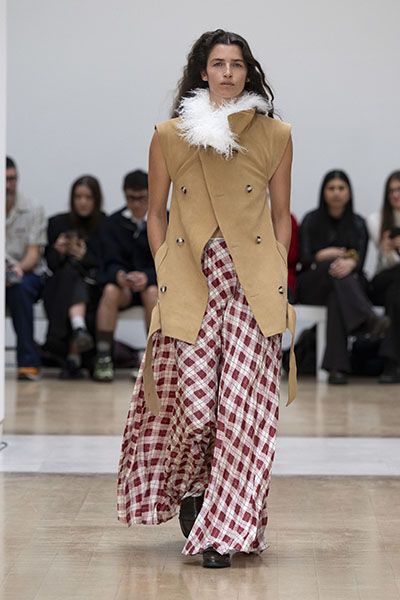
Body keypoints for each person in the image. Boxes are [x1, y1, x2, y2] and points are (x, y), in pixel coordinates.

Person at [117, 29, 297, 569]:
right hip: (193, 282)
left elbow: (282, 214)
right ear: (203, 71)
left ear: (248, 72)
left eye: (237, 65)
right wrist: (165, 265)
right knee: (196, 410)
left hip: (251, 286)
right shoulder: (170, 136)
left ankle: (224, 529)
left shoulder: (275, 135)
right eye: (218, 64)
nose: (227, 74)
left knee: (241, 412)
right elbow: (155, 212)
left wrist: (276, 270)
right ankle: (196, 490)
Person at [297, 170, 390, 384]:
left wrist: (350, 263)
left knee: (337, 295)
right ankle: (367, 319)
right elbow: (305, 258)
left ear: (349, 193)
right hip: (314, 284)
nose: (336, 193)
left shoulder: (358, 223)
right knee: (333, 269)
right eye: (331, 188)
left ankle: (337, 369)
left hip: (345, 287)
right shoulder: (311, 219)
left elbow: (360, 260)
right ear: (324, 192)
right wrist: (325, 255)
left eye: (341, 188)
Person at [93, 170, 157, 382]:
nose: (136, 204)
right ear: (124, 194)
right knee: (110, 291)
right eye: (131, 198)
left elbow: (170, 260)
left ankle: (151, 359)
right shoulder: (113, 223)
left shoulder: (164, 220)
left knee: (152, 293)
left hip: (152, 285)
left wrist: (148, 277)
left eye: (142, 198)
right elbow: (106, 261)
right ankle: (103, 356)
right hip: (123, 288)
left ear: (151, 194)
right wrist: (119, 275)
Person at [43, 175, 106, 379]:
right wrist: (58, 250)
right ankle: (78, 333)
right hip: (59, 285)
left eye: (88, 197)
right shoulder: (57, 223)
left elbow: (105, 263)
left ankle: (68, 350)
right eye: (78, 197)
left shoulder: (104, 224)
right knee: (69, 275)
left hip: (92, 287)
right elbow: (50, 265)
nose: (82, 202)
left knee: (74, 279)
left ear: (96, 199)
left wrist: (85, 257)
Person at [5, 156, 47, 381]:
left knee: (19, 289)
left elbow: (33, 253)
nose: (8, 185)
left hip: (27, 273)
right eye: (3, 180)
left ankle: (28, 363)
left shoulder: (33, 208)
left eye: (12, 179)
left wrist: (16, 270)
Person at [367, 171, 400, 383]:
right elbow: (390, 263)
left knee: (396, 294)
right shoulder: (376, 220)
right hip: (382, 279)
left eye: (399, 190)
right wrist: (389, 249)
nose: (395, 195)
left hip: (394, 290)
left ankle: (392, 362)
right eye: (391, 191)